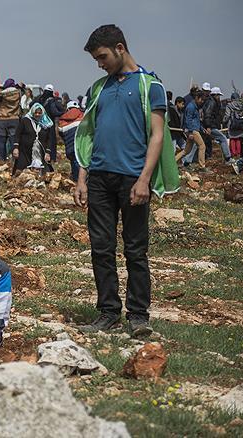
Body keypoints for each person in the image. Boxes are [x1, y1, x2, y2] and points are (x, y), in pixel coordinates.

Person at [74, 24, 178, 337]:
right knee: (101, 247)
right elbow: (88, 132)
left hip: (133, 178)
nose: (99, 63)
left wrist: (145, 179)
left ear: (120, 48)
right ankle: (107, 312)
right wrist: (81, 177)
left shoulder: (151, 86)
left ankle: (138, 316)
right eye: (95, 59)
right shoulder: (98, 88)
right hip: (99, 179)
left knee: (135, 249)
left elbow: (157, 135)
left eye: (102, 56)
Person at [12, 103, 55, 176]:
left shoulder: (47, 123)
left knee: (41, 171)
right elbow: (17, 134)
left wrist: (48, 152)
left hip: (40, 151)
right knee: (23, 171)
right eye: (36, 112)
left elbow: (50, 139)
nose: (37, 115)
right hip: (25, 151)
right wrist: (16, 148)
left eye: (39, 113)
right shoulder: (25, 121)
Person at [175, 91, 207, 170]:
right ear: (196, 98)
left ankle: (173, 161)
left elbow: (196, 120)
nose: (202, 101)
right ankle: (202, 166)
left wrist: (202, 129)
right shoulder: (191, 107)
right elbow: (188, 120)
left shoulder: (195, 106)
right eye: (201, 99)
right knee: (202, 146)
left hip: (194, 129)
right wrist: (190, 133)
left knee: (186, 150)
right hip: (193, 130)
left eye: (203, 100)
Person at [57, 100, 85, 181]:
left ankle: (76, 181)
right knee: (82, 165)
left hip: (70, 148)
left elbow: (61, 134)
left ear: (68, 109)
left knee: (74, 163)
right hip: (81, 147)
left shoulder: (62, 120)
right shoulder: (83, 117)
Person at [0, 79, 22, 161]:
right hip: (14, 118)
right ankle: (14, 159)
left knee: (1, 140)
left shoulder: (1, 94)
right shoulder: (18, 93)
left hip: (2, 118)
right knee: (13, 140)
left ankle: (1, 159)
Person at [226, 93, 243, 159]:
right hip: (240, 124)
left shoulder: (229, 105)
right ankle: (239, 153)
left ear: (232, 98)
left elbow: (227, 115)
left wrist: (224, 120)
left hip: (232, 124)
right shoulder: (241, 105)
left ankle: (233, 154)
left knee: (232, 138)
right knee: (238, 139)